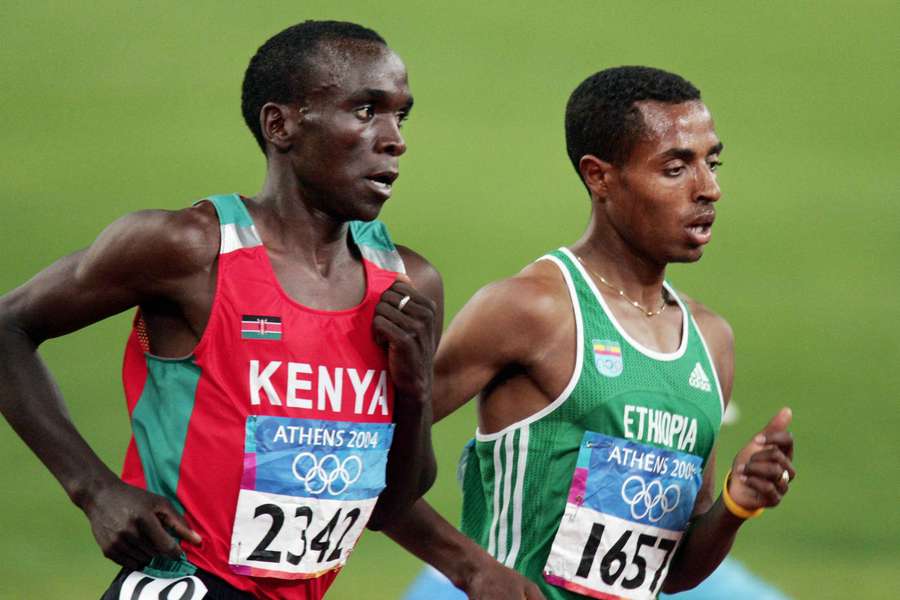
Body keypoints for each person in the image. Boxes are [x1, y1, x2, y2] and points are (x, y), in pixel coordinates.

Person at [0, 20, 442, 600]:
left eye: (400, 115)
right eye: (365, 111)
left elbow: (388, 506)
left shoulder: (408, 285)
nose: (394, 139)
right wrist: (94, 489)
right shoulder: (189, 250)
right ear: (280, 124)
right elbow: (8, 326)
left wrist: (414, 389)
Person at [386, 66, 795, 600]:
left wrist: (735, 505)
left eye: (711, 163)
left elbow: (672, 572)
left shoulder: (710, 340)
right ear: (599, 176)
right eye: (676, 168)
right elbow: (370, 458)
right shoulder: (530, 309)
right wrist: (470, 568)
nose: (709, 189)